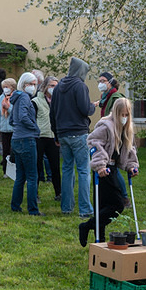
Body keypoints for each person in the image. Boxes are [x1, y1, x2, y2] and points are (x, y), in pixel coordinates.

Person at [79, 98, 139, 246]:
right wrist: (100, 165)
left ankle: (97, 235)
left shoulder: (127, 128)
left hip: (112, 169)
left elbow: (129, 149)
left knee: (105, 206)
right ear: (116, 112)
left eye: (127, 114)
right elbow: (94, 143)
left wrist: (131, 165)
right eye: (121, 114)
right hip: (103, 169)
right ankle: (87, 226)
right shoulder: (106, 126)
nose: (124, 117)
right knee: (117, 205)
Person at [49, 57, 96, 217]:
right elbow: (84, 109)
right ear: (81, 71)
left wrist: (56, 134)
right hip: (79, 132)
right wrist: (92, 107)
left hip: (62, 134)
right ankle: (85, 209)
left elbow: (52, 113)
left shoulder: (58, 87)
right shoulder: (80, 86)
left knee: (67, 169)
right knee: (83, 170)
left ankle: (66, 207)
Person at [94, 71, 130, 207]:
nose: (100, 84)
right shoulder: (106, 97)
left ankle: (124, 197)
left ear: (110, 82)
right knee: (111, 167)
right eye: (99, 81)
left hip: (115, 134)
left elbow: (117, 115)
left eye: (103, 81)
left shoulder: (115, 97)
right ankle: (120, 195)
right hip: (107, 134)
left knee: (113, 166)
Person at [9, 72, 43, 216]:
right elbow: (23, 117)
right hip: (27, 140)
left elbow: (12, 120)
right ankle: (33, 209)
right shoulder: (24, 97)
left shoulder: (15, 98)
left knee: (20, 176)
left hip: (16, 139)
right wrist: (35, 128)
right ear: (24, 84)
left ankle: (15, 206)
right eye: (32, 84)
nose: (34, 87)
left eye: (35, 84)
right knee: (32, 176)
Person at [32, 76, 61, 201]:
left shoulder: (58, 101)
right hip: (40, 137)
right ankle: (35, 194)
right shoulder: (36, 101)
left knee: (55, 167)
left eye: (56, 86)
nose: (54, 88)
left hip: (53, 137)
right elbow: (33, 120)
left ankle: (58, 193)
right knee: (37, 166)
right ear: (45, 87)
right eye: (52, 86)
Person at [0, 77, 16, 177]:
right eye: (4, 87)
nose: (5, 89)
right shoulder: (1, 97)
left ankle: (14, 170)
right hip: (4, 128)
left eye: (6, 87)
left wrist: (8, 108)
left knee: (14, 150)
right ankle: (5, 171)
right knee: (5, 150)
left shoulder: (16, 97)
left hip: (14, 128)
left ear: (12, 87)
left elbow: (17, 112)